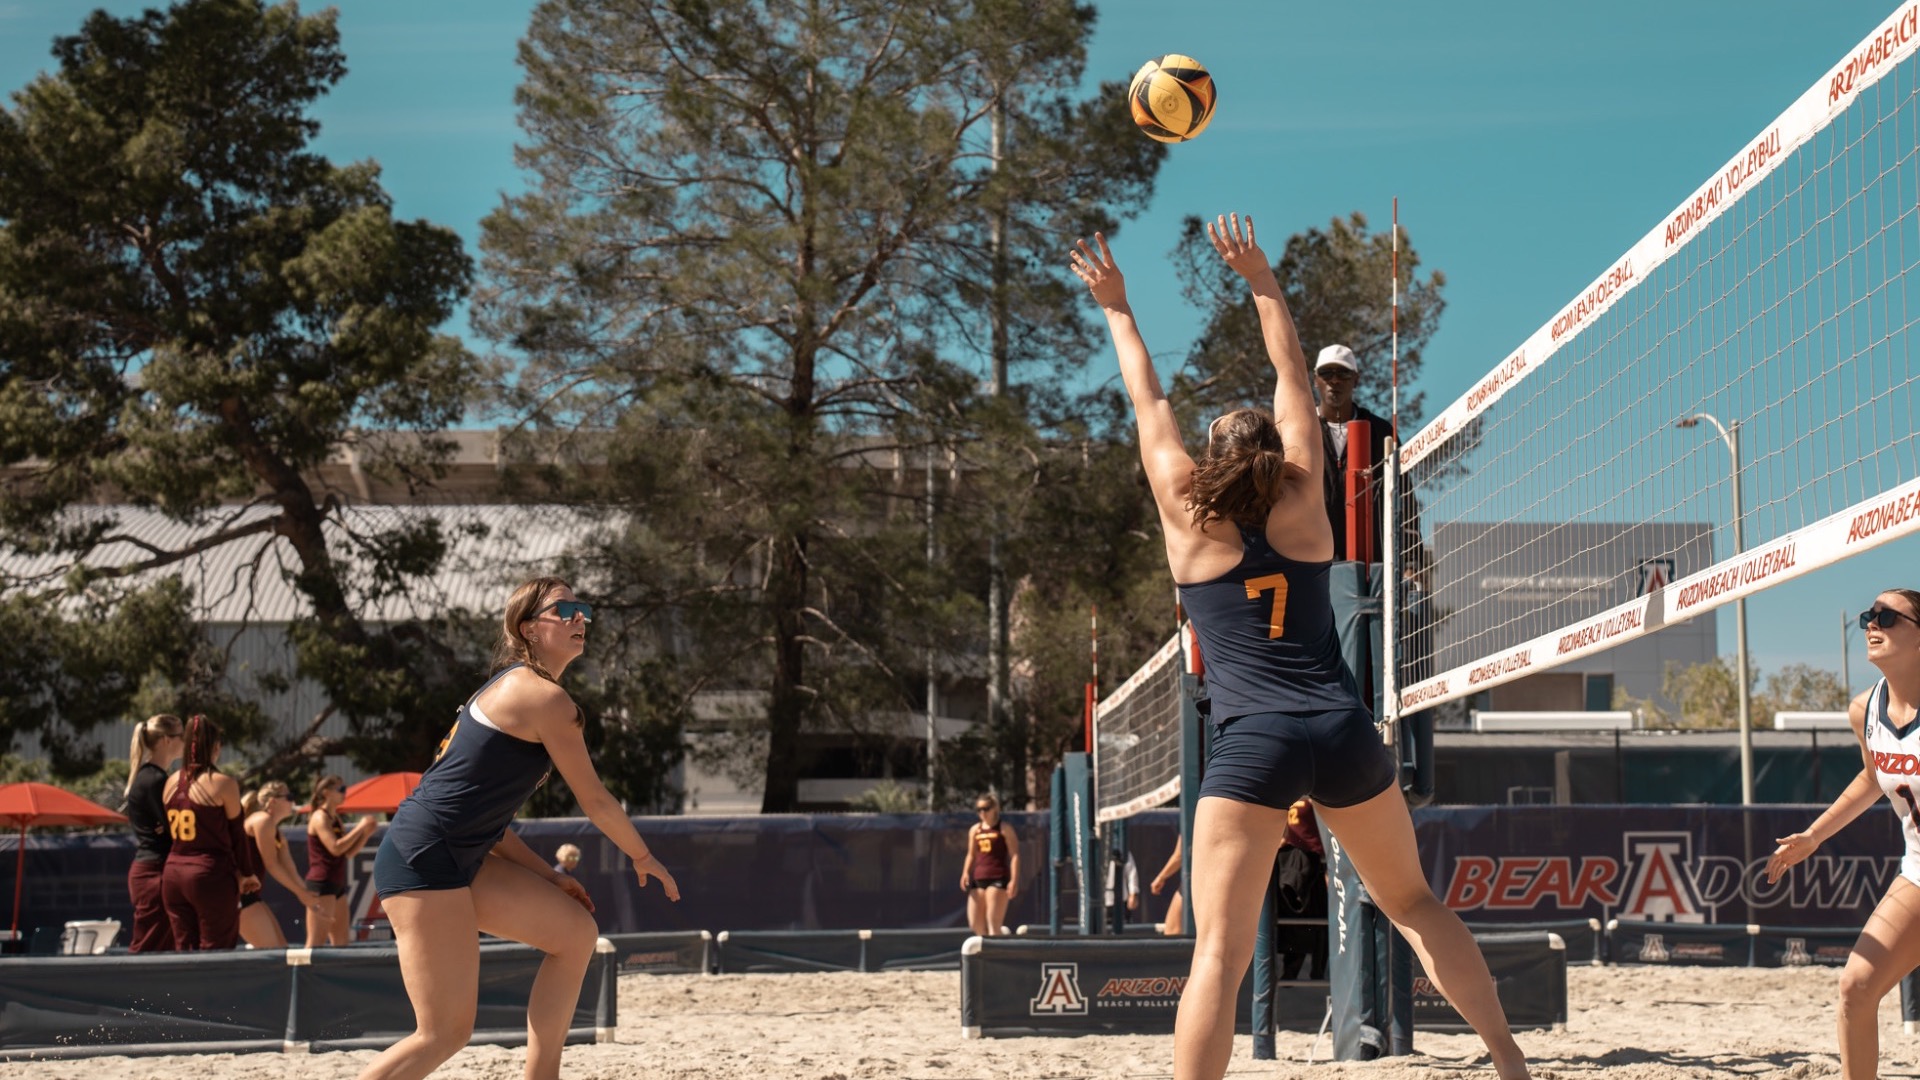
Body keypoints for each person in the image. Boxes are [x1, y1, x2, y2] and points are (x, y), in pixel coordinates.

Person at [1069, 217, 1529, 1080]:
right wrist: (1261, 282)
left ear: (1208, 462)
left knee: (1219, 954)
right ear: (1282, 454)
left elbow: (1149, 401)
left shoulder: (1187, 517)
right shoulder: (1308, 502)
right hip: (1341, 725)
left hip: (1255, 741)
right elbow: (1290, 370)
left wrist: (1119, 308)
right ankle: (1507, 1060)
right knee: (1417, 903)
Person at [356, 577, 678, 1080]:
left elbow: (495, 828)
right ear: (527, 628)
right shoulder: (541, 697)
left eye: (582, 609)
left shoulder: (519, 687)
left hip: (458, 853)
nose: (579, 619)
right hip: (424, 856)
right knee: (442, 1033)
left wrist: (549, 878)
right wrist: (641, 855)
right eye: (564, 610)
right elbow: (594, 800)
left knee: (576, 935)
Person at [1767, 588, 1920, 1080]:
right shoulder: (1866, 709)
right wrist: (1814, 835)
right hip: (1918, 874)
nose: (1873, 624)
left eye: (1889, 617)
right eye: (1868, 616)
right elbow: (1874, 778)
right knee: (1856, 987)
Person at [159, 714, 258, 951]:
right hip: (209, 874)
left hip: (173, 874)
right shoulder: (222, 783)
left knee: (185, 950)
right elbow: (237, 833)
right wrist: (247, 873)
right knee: (216, 950)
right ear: (215, 746)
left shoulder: (170, 782)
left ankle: (183, 990)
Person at [239, 781, 329, 950]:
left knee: (282, 951)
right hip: (238, 895)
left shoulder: (274, 829)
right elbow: (272, 865)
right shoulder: (262, 820)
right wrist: (302, 894)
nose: (292, 802)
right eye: (289, 797)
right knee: (276, 955)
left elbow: (289, 868)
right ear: (273, 801)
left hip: (250, 895)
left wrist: (309, 900)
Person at [123, 713, 184, 953]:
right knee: (149, 944)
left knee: (162, 943)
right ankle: (132, 992)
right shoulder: (154, 780)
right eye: (180, 736)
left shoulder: (152, 777)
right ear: (167, 740)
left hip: (155, 868)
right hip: (153, 871)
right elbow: (171, 826)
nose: (184, 741)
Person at [305, 774, 379, 947]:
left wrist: (365, 834)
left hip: (335, 882)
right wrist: (360, 827)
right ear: (326, 792)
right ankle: (300, 975)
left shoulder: (335, 818)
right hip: (321, 884)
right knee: (315, 943)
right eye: (341, 789)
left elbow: (347, 853)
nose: (344, 793)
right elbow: (335, 847)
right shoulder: (319, 817)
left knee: (341, 942)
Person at [959, 793, 1019, 937]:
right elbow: (971, 854)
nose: (982, 813)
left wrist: (1014, 881)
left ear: (994, 809)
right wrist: (965, 872)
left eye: (986, 808)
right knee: (974, 924)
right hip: (979, 877)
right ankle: (986, 951)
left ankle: (997, 954)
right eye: (979, 809)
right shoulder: (975, 830)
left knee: (993, 922)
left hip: (998, 877)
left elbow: (1015, 855)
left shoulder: (1004, 828)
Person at [1149, 836, 1185, 935]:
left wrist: (1161, 877)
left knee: (1172, 931)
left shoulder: (1194, 821)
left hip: (1199, 879)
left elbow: (1179, 855)